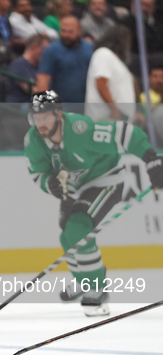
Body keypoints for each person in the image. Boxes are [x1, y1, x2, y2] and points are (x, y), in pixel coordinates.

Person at [24, 90, 163, 316]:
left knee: (79, 228)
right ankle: (83, 282)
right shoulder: (33, 140)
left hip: (105, 178)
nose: (40, 123)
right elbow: (37, 173)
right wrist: (48, 183)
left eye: (46, 117)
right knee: (67, 234)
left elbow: (126, 132)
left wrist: (151, 159)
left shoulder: (80, 129)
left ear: (58, 115)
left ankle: (97, 290)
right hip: (76, 185)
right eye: (36, 118)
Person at [36, 16, 93, 106]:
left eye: (70, 32)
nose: (66, 35)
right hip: (62, 104)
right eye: (63, 31)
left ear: (79, 31)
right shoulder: (51, 50)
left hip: (87, 103)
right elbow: (43, 79)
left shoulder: (90, 48)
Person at [84, 25, 135, 123]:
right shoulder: (104, 53)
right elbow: (101, 82)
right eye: (128, 40)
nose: (129, 45)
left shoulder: (118, 62)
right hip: (106, 119)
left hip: (120, 120)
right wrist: (114, 108)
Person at [6, 34, 50, 103]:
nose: (47, 54)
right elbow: (35, 92)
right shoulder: (19, 65)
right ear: (34, 47)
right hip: (20, 105)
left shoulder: (39, 66)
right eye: (45, 50)